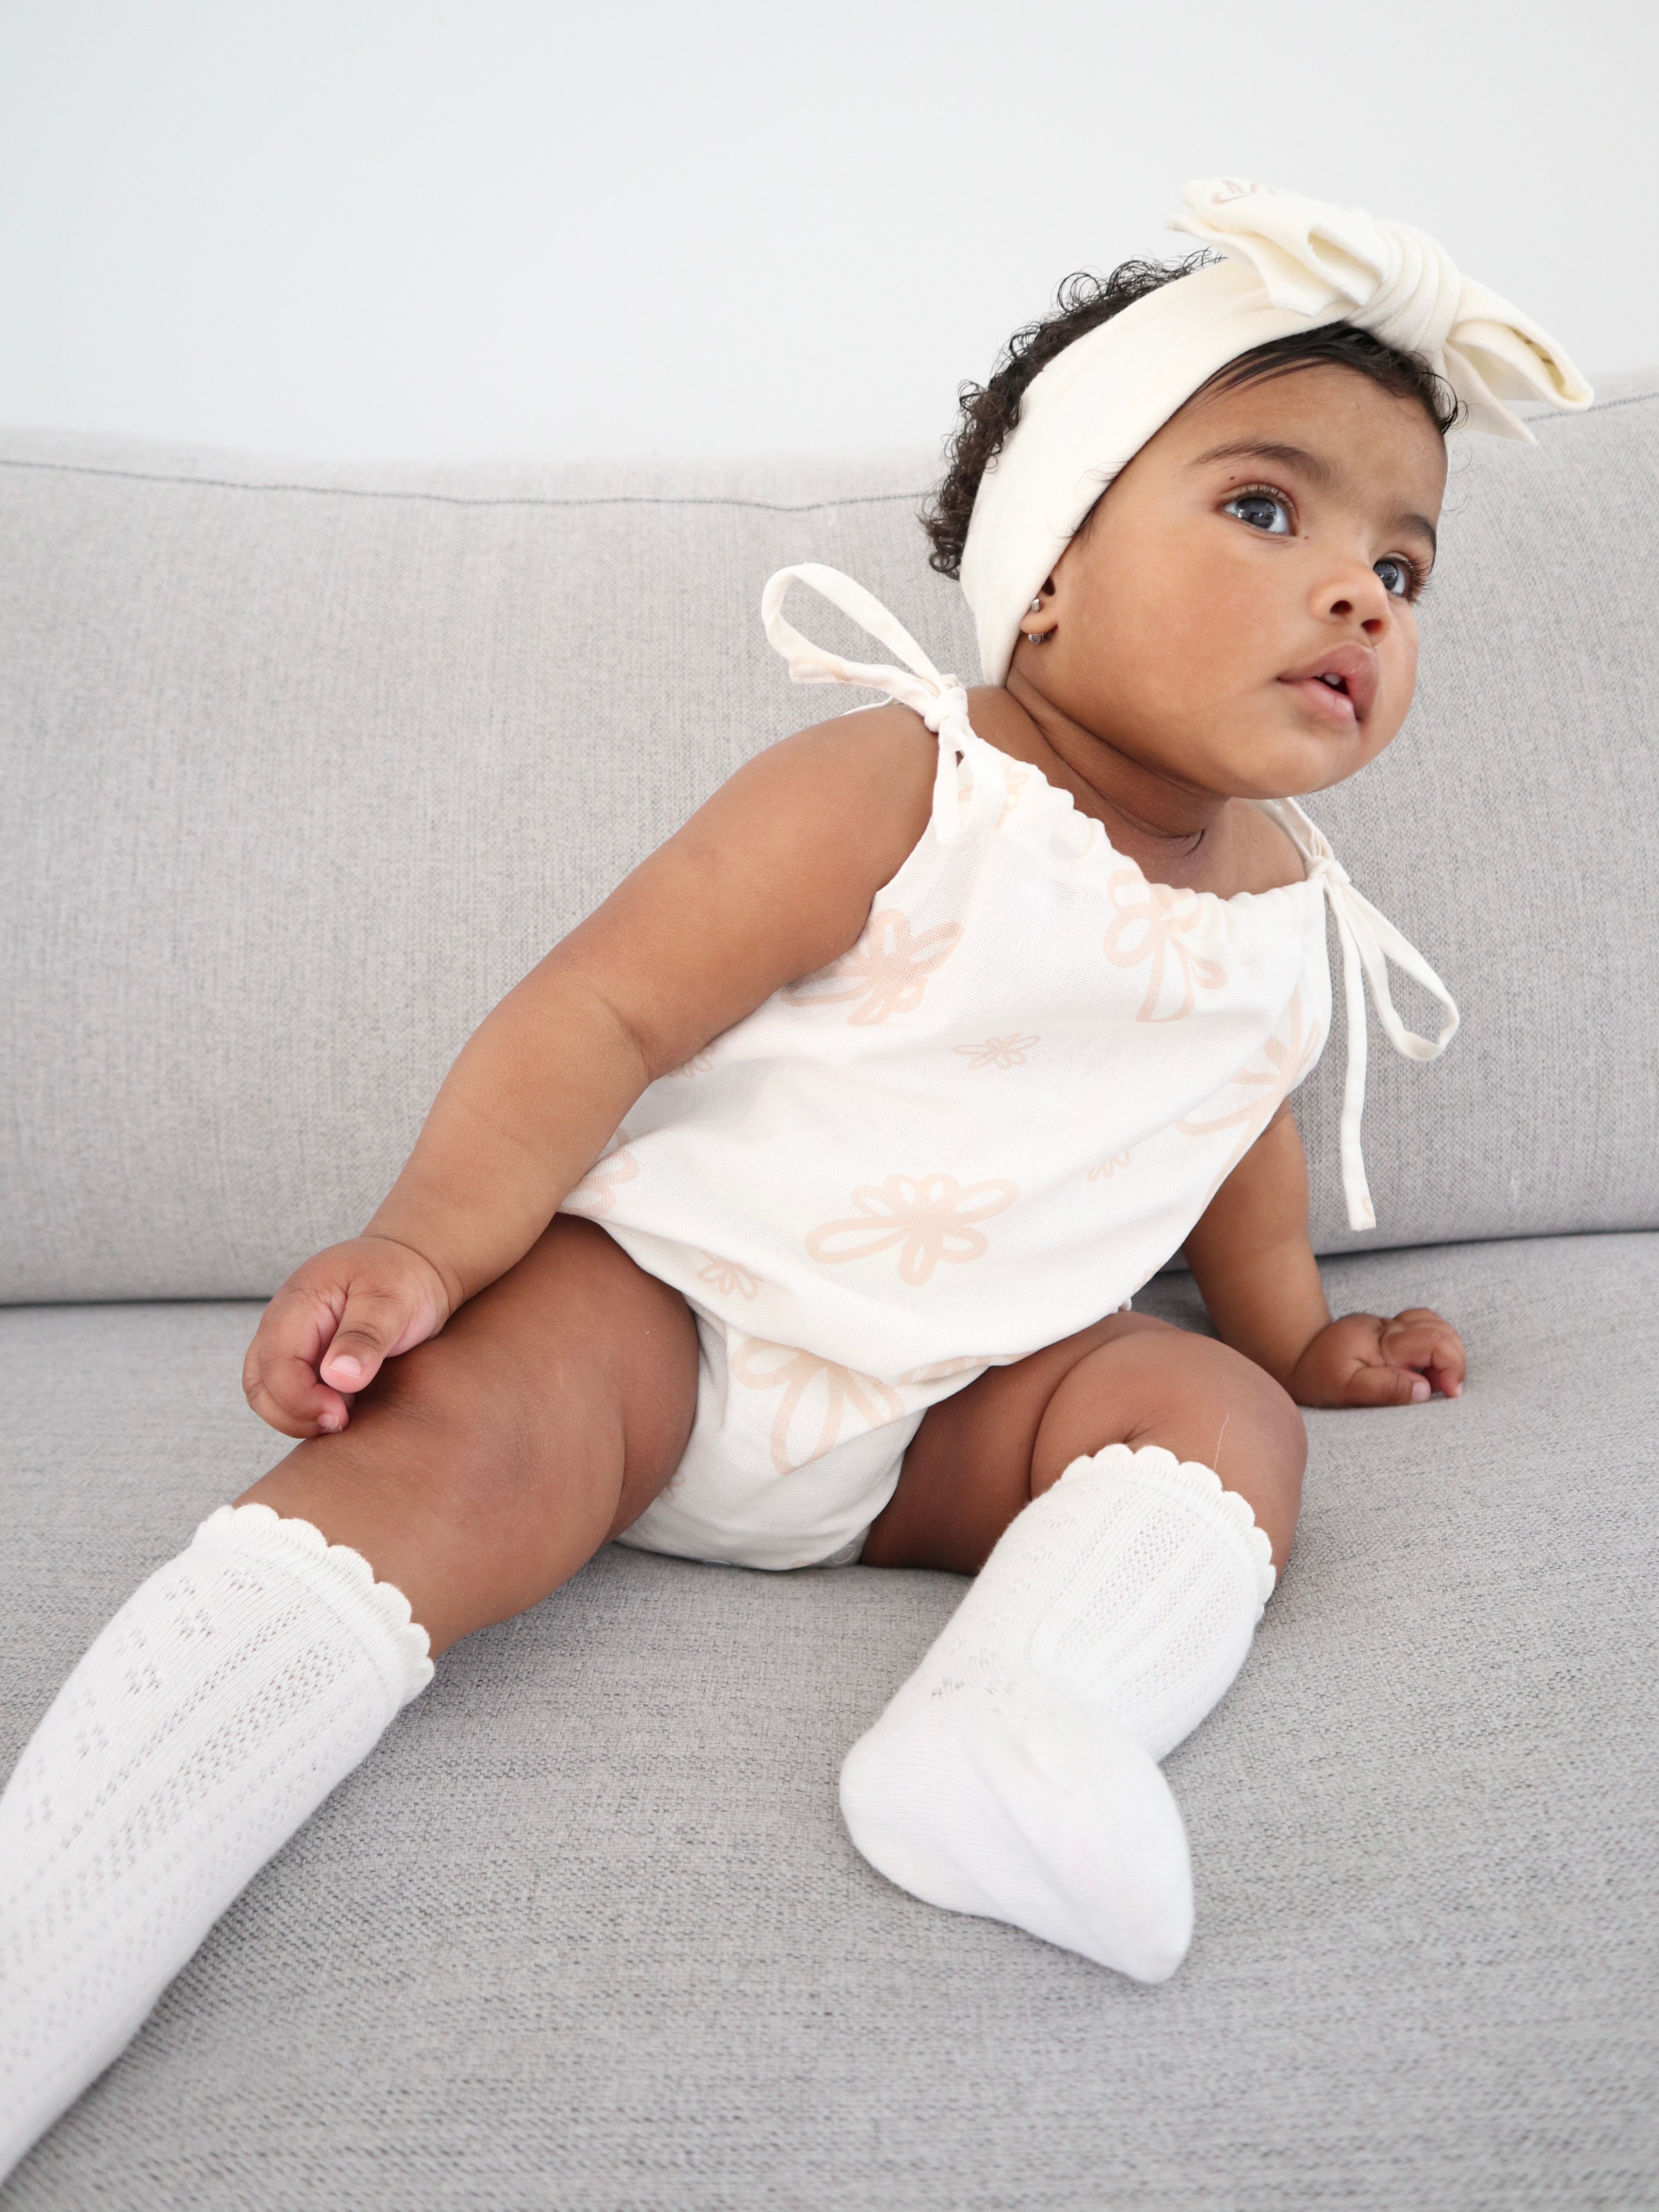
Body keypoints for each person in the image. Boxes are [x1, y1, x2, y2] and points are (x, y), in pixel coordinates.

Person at [0, 178, 1589, 2176]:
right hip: (675, 1319)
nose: (1359, 590)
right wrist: (424, 1245)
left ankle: (1015, 1721)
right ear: (1044, 571)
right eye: (1268, 510)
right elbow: (599, 1016)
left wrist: (1300, 1336)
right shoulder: (902, 782)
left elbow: (1228, 1145)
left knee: (1210, 1410)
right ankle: (55, 1926)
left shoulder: (1283, 909)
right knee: (457, 1428)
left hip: (949, 1419)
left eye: (1403, 562)